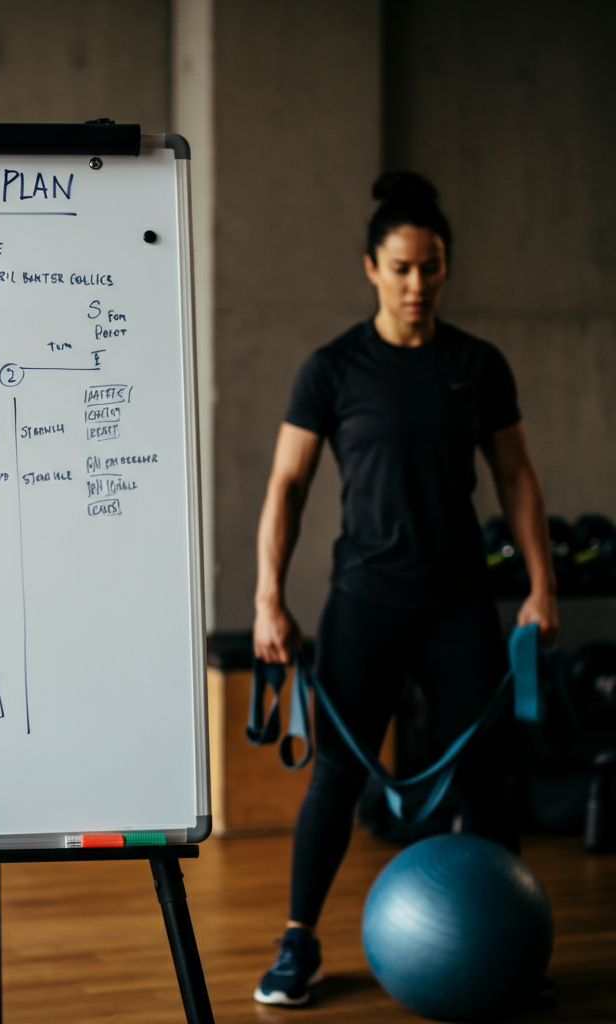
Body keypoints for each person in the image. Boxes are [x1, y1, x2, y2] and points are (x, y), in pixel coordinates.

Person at [251, 171, 559, 1007]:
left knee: (486, 780)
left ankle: (507, 944)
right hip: (367, 600)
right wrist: (267, 599)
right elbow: (287, 485)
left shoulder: (478, 366)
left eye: (431, 268)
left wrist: (540, 586)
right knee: (335, 778)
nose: (417, 285)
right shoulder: (333, 370)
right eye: (400, 268)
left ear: (446, 269)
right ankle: (298, 945)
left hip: (460, 600)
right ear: (370, 268)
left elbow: (518, 478)